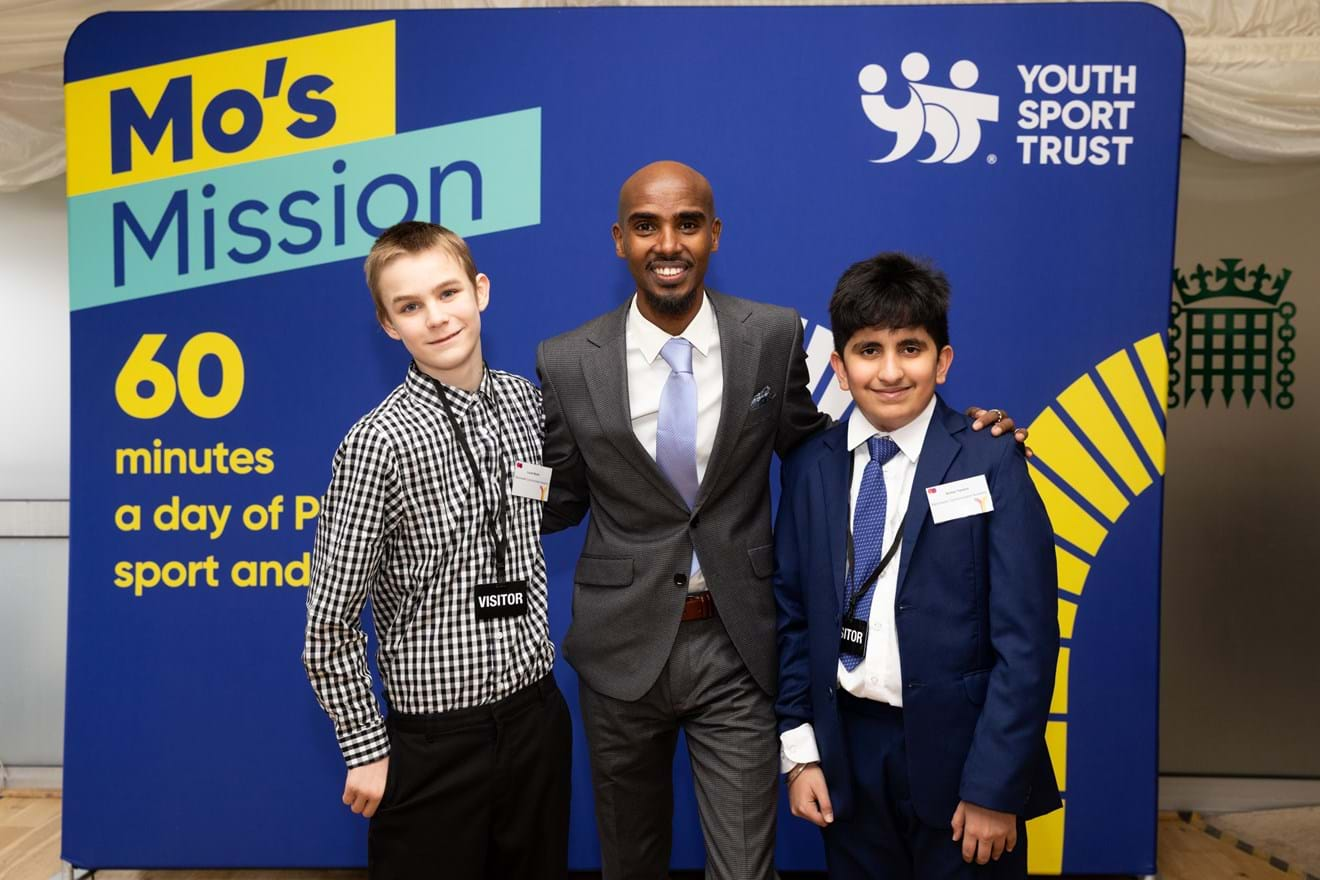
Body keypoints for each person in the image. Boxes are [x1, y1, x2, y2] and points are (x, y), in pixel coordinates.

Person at [537, 160, 1026, 879]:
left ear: (714, 235)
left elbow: (821, 441)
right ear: (620, 240)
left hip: (737, 643)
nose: (666, 243)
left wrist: (968, 435)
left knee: (744, 867)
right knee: (630, 860)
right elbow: (562, 495)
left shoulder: (768, 335)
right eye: (646, 226)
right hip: (619, 647)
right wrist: (490, 474)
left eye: (687, 224)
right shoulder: (566, 360)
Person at [774, 252, 1061, 879]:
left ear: (944, 360)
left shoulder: (992, 460)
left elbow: (1028, 644)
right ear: (840, 368)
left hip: (963, 761)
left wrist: (994, 788)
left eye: (911, 348)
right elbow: (791, 616)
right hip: (848, 755)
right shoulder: (809, 467)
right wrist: (801, 756)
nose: (891, 370)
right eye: (868, 350)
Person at [303, 221, 570, 880]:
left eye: (448, 292)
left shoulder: (526, 403)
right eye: (410, 306)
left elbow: (536, 509)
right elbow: (328, 624)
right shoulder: (378, 444)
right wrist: (366, 747)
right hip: (435, 743)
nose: (436, 317)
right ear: (389, 325)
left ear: (480, 291)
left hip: (536, 718)